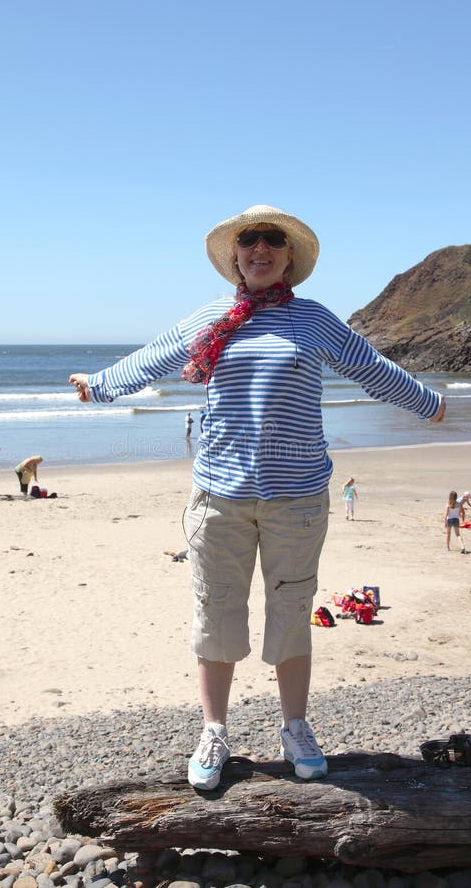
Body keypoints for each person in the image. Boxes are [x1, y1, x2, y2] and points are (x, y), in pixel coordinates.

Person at [68, 203, 446, 790]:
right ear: (235, 256)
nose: (260, 249)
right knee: (217, 614)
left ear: (290, 255)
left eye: (273, 240)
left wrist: (430, 401)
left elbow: (371, 368)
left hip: (296, 501)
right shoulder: (213, 317)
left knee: (292, 615)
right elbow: (157, 355)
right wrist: (98, 387)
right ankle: (214, 729)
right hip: (219, 497)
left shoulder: (314, 321)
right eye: (250, 241)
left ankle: (295, 726)